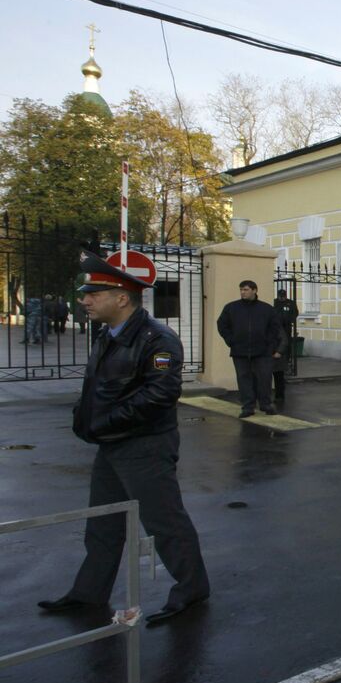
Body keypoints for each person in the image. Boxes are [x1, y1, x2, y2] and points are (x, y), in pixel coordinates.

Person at [38, 250, 210, 626]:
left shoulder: (158, 340)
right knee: (103, 522)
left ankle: (192, 589)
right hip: (113, 443)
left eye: (93, 294)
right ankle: (88, 593)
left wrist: (105, 423)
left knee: (164, 522)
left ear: (121, 298)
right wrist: (84, 419)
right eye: (85, 293)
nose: (83, 300)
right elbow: (97, 388)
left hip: (145, 445)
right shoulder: (108, 334)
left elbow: (160, 395)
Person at [216, 280, 286, 417]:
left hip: (262, 351)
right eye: (241, 289)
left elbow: (275, 326)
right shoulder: (232, 308)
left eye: (246, 289)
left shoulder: (266, 309)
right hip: (240, 351)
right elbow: (222, 325)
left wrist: (268, 343)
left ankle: (266, 404)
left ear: (254, 290)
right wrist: (231, 341)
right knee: (244, 379)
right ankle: (248, 407)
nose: (243, 292)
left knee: (264, 378)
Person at [272, 289, 299, 402]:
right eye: (280, 296)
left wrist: (289, 321)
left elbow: (295, 313)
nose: (282, 298)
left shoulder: (290, 303)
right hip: (276, 336)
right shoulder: (275, 303)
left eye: (283, 296)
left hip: (286, 328)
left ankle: (287, 364)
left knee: (279, 372)